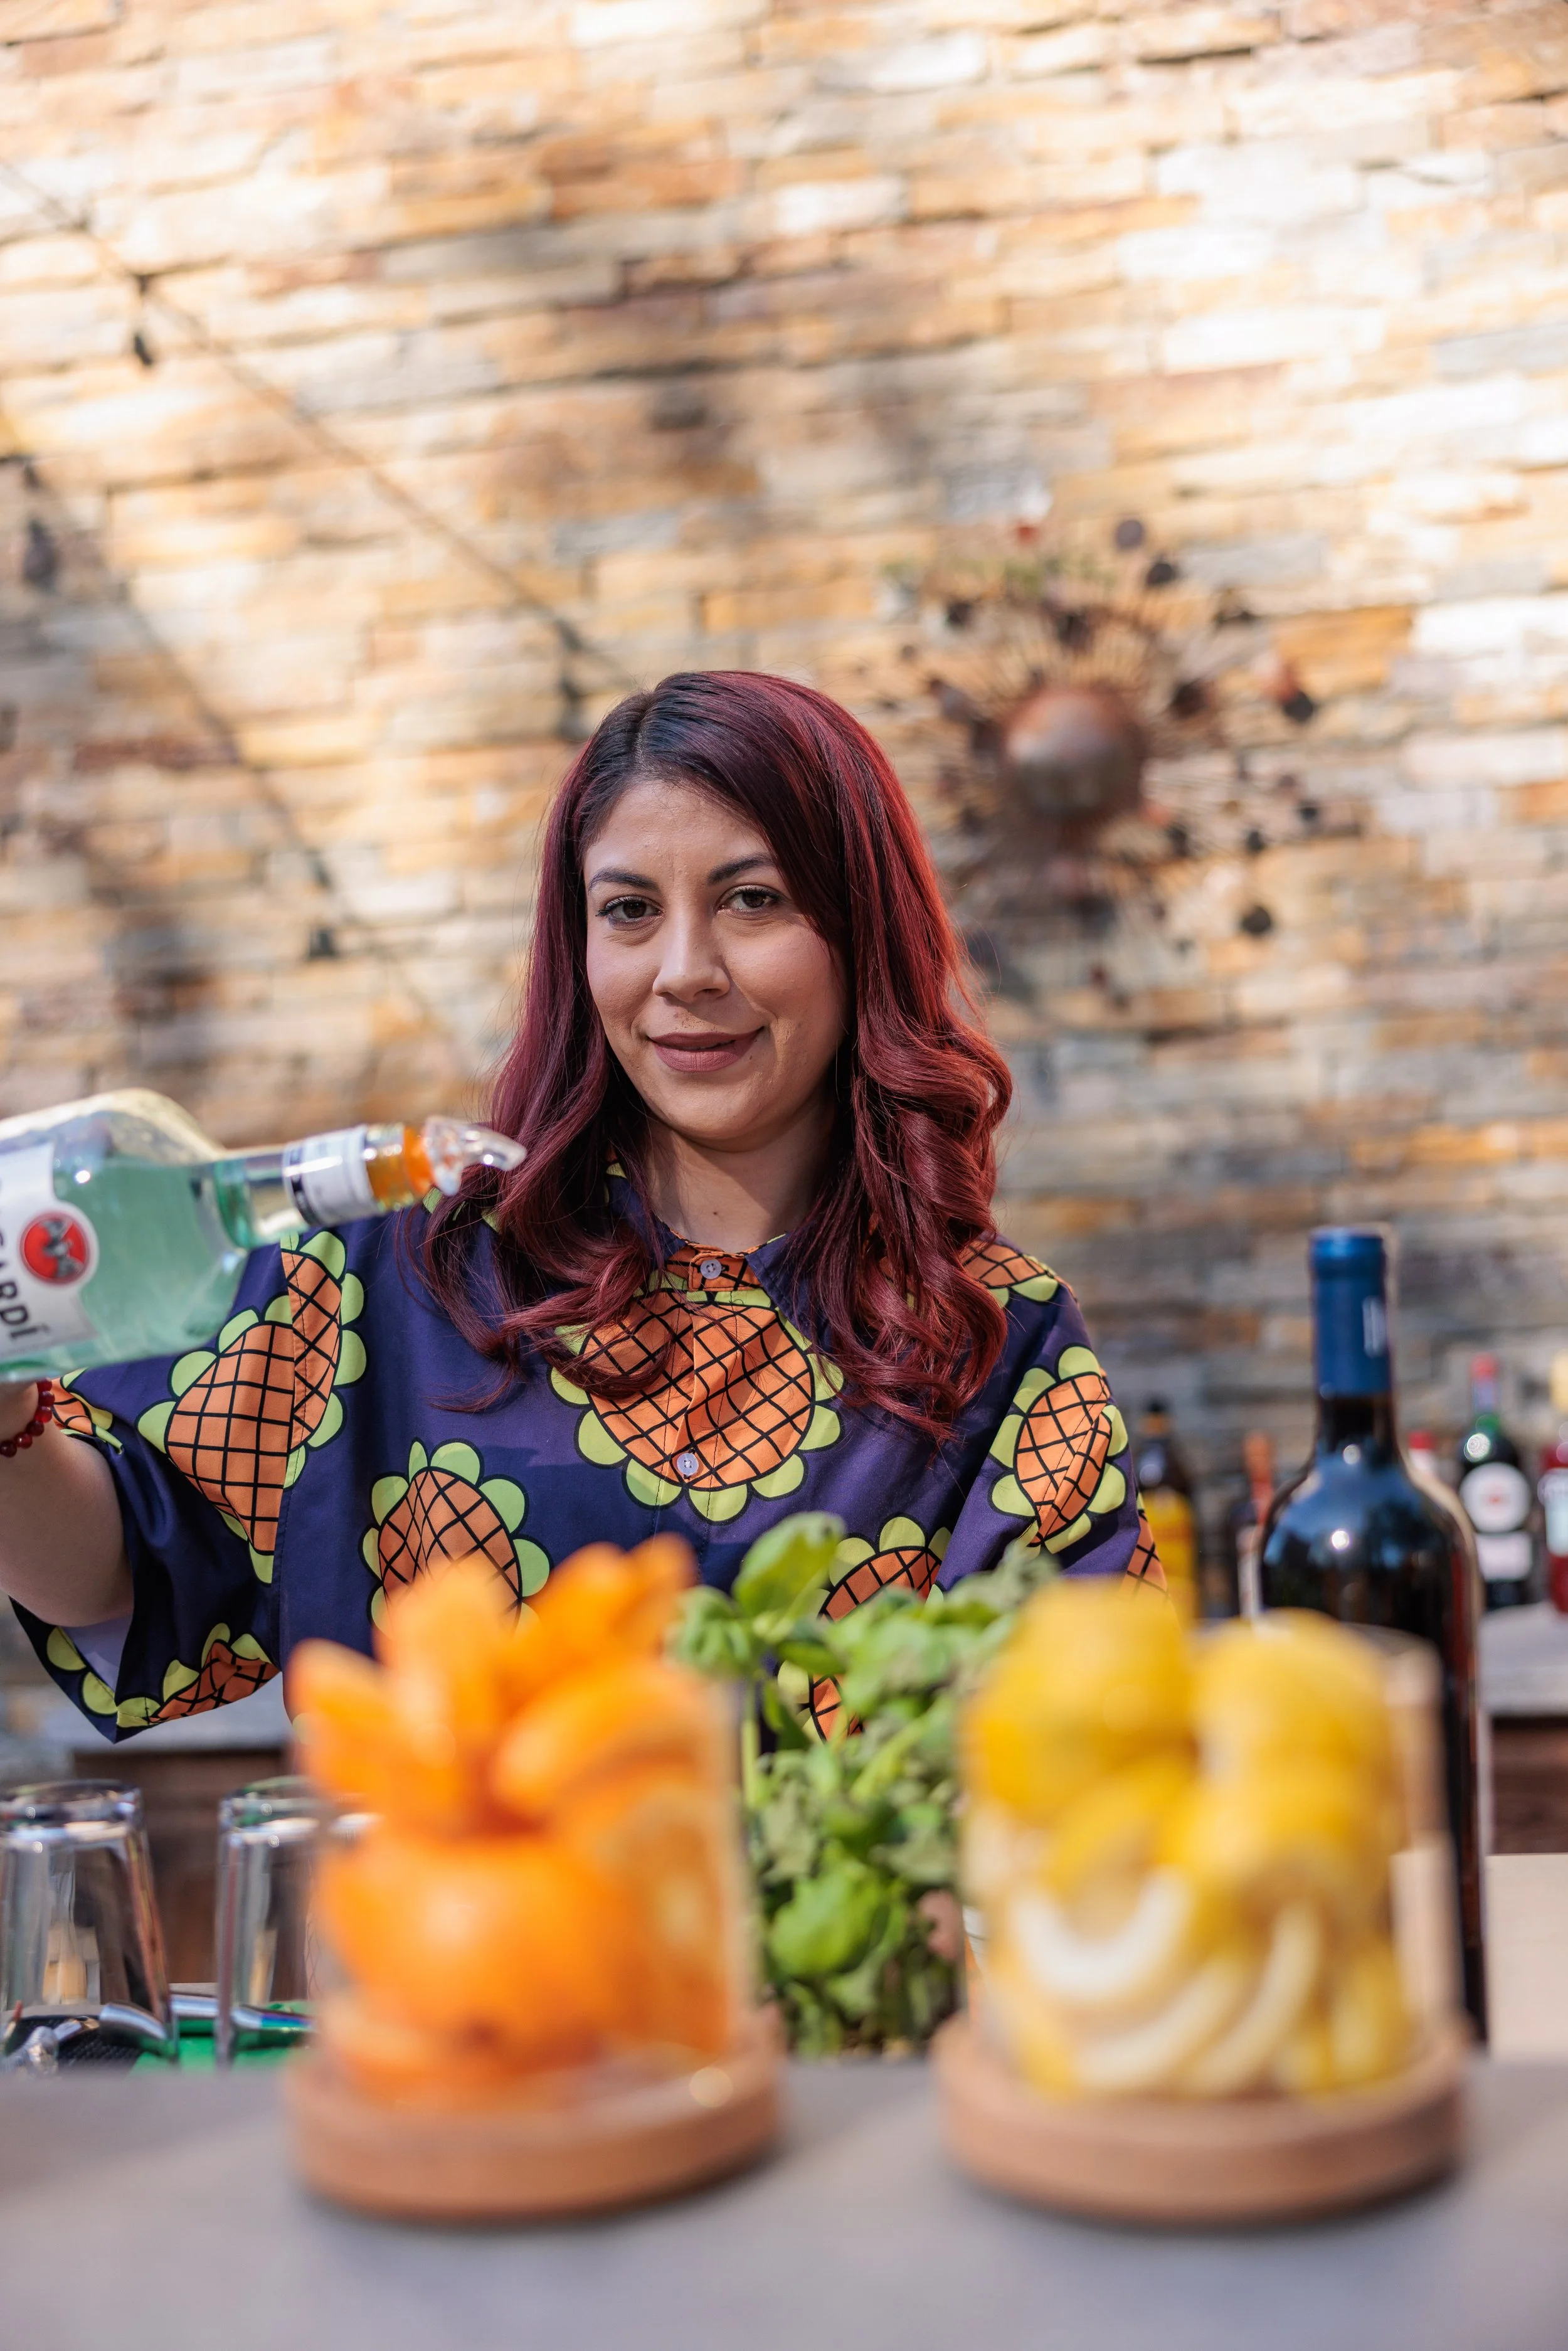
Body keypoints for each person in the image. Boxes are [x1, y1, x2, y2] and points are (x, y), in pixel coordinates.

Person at [0, 671, 1163, 1740]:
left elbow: (1089, 1759)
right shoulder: (393, 1270)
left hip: (839, 1976)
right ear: (578, 942)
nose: (684, 971)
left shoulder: (991, 1340)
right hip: (442, 1961)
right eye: (629, 910)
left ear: (862, 935)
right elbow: (122, 1573)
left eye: (753, 899)